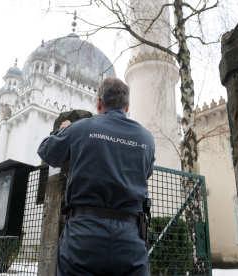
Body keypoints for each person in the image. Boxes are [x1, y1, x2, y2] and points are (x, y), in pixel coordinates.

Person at [37, 77, 155, 276]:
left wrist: (62, 131)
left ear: (99, 103)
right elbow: (147, 172)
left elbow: (46, 151)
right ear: (127, 107)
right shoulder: (146, 139)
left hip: (83, 236)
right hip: (130, 238)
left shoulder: (82, 128)